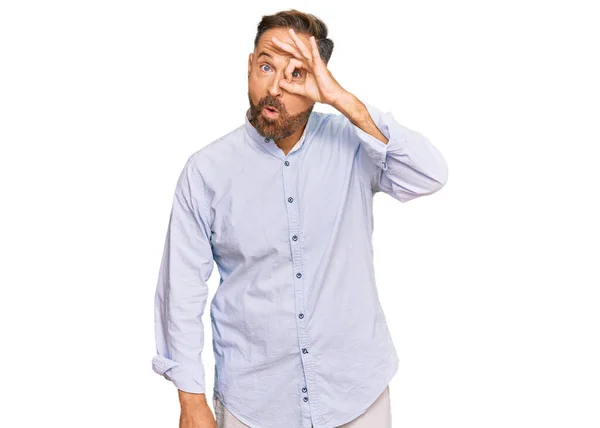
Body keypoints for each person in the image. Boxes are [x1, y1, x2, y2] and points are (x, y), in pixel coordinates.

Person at [152, 9, 448, 428]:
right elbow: (180, 292)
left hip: (355, 395)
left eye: (296, 74)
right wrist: (191, 400)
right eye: (266, 66)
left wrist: (344, 101)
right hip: (254, 404)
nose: (274, 87)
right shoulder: (206, 171)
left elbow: (429, 175)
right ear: (249, 66)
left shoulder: (354, 142)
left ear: (318, 83)